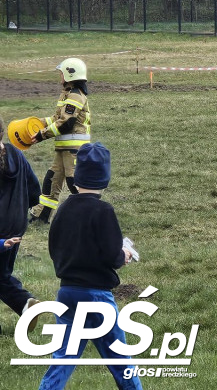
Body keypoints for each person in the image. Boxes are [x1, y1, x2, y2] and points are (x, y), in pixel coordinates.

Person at [38, 142, 143, 390]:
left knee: (62, 359)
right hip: (96, 296)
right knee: (120, 360)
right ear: (105, 178)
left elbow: (55, 247)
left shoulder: (63, 208)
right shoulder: (104, 211)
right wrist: (124, 254)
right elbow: (111, 255)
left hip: (67, 293)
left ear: (77, 177)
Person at [28, 58, 91, 223]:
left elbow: (66, 123)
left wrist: (42, 135)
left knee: (74, 183)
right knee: (52, 179)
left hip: (74, 149)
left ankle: (88, 215)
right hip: (63, 148)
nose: (60, 77)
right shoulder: (67, 94)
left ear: (70, 75)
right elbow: (57, 118)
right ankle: (41, 216)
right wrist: (38, 123)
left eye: (61, 73)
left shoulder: (76, 96)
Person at [0, 117, 42, 334]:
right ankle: (26, 305)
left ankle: (25, 303)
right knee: (2, 273)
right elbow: (35, 191)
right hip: (16, 225)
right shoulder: (15, 153)